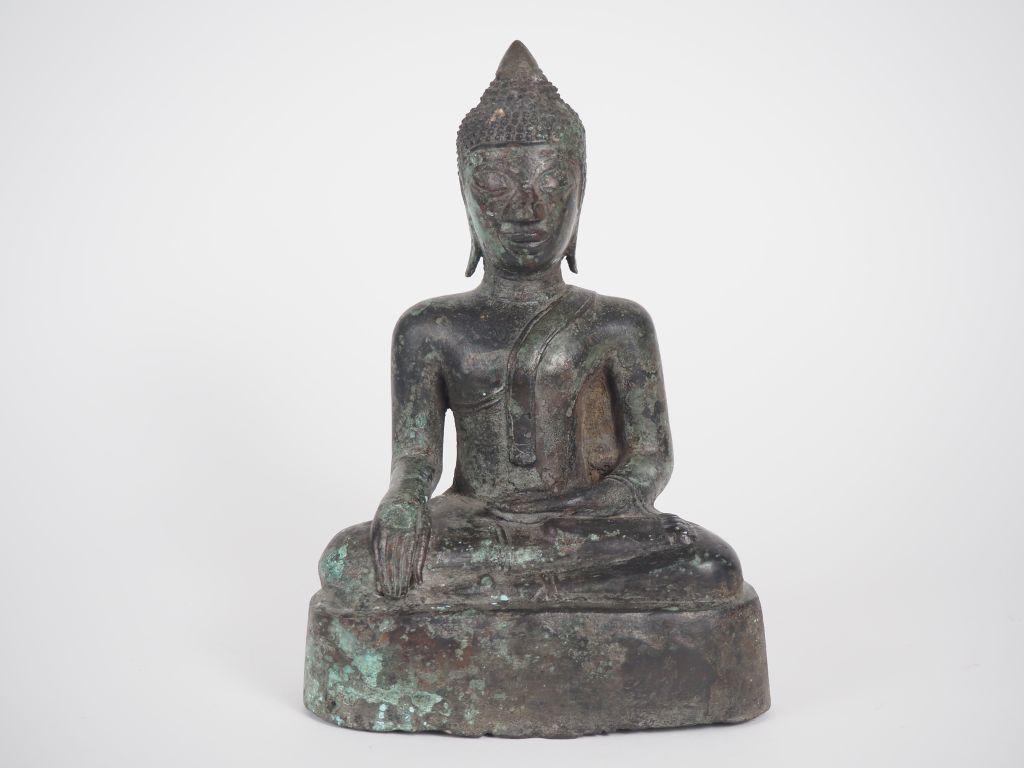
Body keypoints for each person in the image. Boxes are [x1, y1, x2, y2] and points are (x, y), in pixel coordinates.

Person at [318, 41, 742, 608]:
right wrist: (402, 502)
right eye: (497, 185)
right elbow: (416, 459)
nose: (527, 210)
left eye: (551, 183)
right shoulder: (429, 328)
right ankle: (543, 589)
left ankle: (508, 589)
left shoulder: (619, 324)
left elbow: (650, 458)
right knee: (345, 560)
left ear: (580, 196)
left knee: (710, 566)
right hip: (475, 522)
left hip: (584, 526)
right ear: (467, 201)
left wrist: (591, 508)